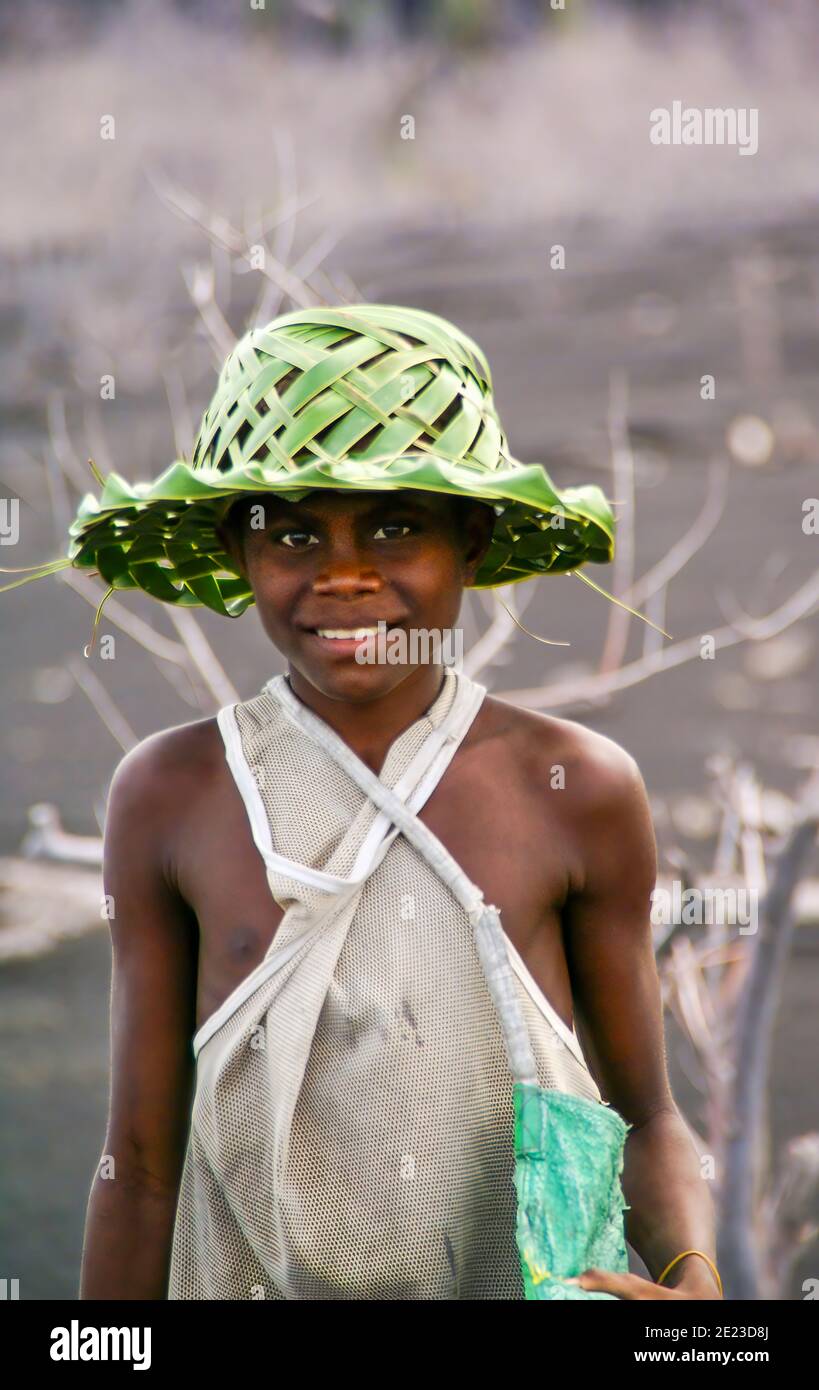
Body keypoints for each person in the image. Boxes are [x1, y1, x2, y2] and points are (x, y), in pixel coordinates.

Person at [55, 303, 720, 1300]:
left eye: (396, 527)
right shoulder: (173, 793)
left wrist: (700, 1296)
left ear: (473, 539)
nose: (348, 575)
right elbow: (141, 1171)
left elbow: (648, 1116)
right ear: (241, 552)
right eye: (294, 535)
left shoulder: (575, 788)